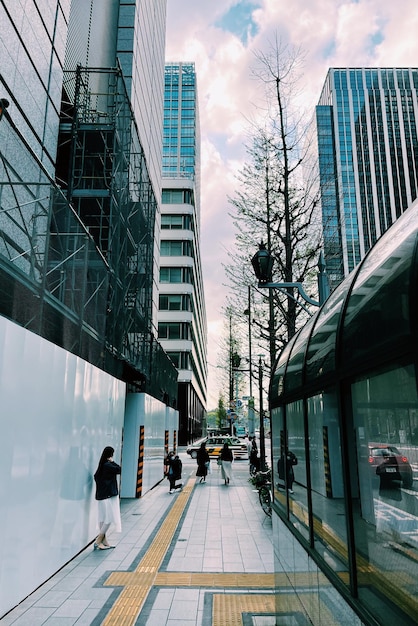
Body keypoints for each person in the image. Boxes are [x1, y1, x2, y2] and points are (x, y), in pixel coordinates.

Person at [94, 446, 121, 550]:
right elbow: (119, 469)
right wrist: (113, 461)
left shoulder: (101, 466)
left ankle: (104, 541)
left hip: (101, 496)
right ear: (111, 455)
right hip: (107, 496)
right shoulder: (108, 465)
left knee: (102, 518)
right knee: (109, 518)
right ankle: (98, 540)